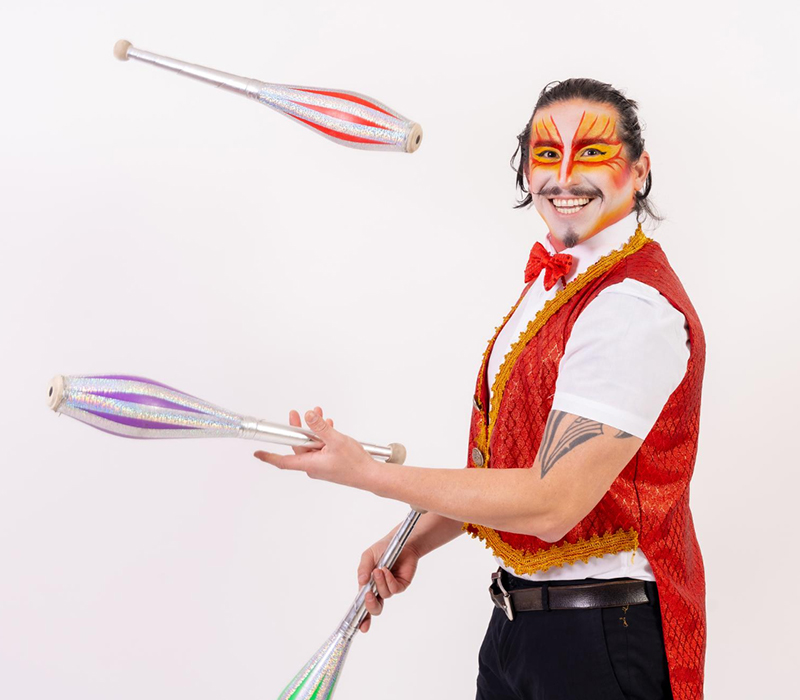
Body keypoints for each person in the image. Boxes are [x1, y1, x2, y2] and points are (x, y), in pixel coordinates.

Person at [254, 78, 706, 700]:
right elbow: (504, 468)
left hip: (602, 638)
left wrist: (367, 474)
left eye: (592, 153)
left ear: (639, 168)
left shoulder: (631, 306)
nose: (564, 176)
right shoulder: (559, 283)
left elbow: (553, 502)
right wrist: (412, 537)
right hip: (517, 627)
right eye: (546, 154)